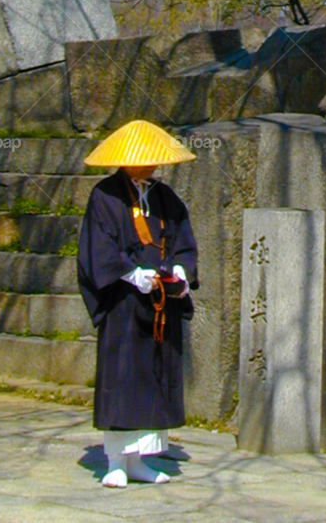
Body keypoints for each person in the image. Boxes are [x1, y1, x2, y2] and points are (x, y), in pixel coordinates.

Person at [77, 119, 198, 488]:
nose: (150, 167)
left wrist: (178, 268)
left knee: (152, 379)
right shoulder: (105, 196)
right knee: (123, 377)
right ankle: (115, 460)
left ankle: (141, 460)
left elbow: (183, 242)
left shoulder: (166, 198)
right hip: (124, 305)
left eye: (154, 161)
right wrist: (131, 274)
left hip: (159, 305)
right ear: (126, 161)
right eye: (143, 161)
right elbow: (98, 249)